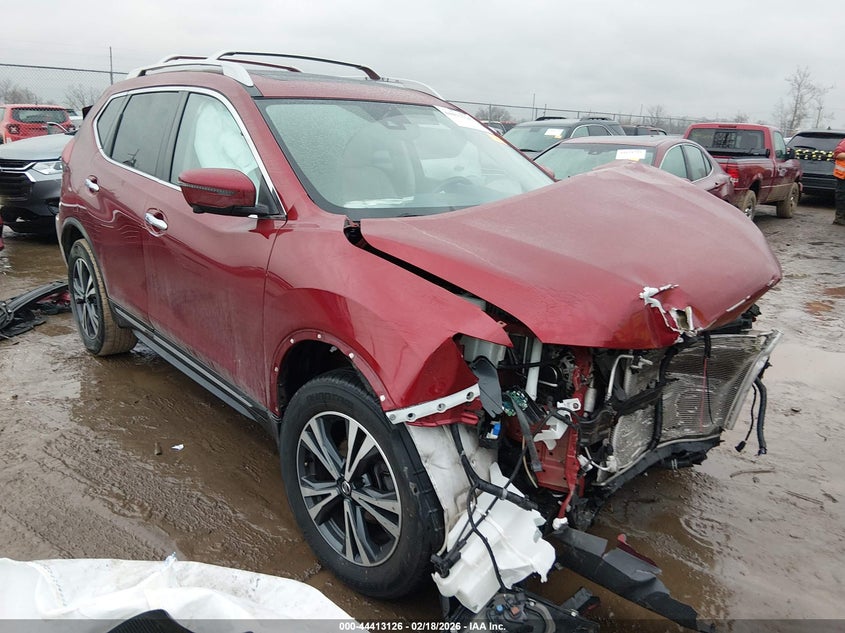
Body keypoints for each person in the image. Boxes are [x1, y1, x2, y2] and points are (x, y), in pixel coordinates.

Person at [834, 136, 845, 225]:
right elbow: (838, 154)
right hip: (843, 176)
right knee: (841, 197)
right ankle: (839, 218)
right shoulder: (844, 143)